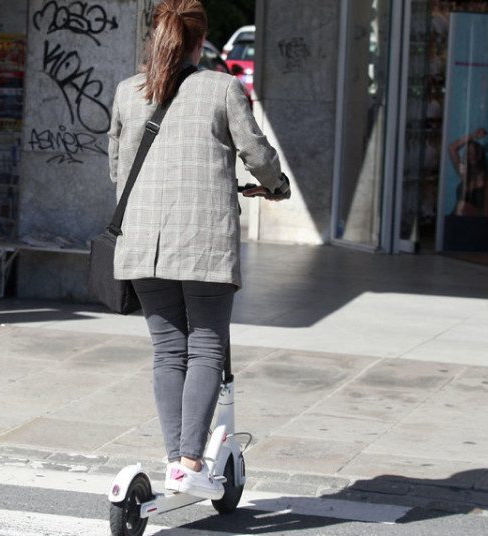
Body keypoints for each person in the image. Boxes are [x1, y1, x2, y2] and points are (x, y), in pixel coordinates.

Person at [107, 0, 290, 500]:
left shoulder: (127, 92)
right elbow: (255, 151)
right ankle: (191, 462)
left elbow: (117, 168)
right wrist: (276, 185)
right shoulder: (222, 88)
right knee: (206, 345)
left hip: (141, 241)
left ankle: (175, 461)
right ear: (200, 38)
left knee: (168, 351)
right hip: (203, 241)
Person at [448, 127, 488, 217]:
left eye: (474, 152)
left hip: (473, 223)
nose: (471, 156)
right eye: (469, 153)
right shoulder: (464, 174)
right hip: (455, 219)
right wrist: (473, 135)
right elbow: (452, 148)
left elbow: (486, 212)